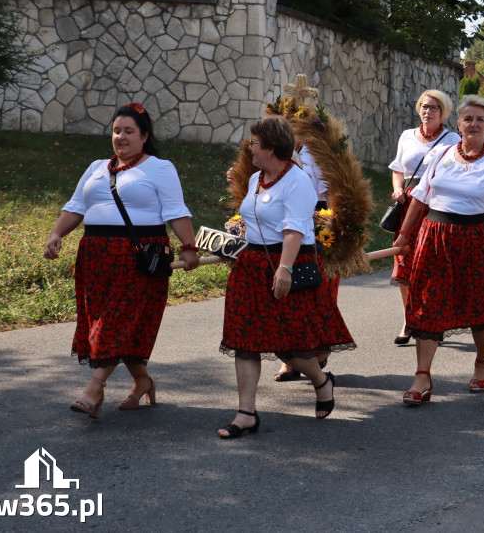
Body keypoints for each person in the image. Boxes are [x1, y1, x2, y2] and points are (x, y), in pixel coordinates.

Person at [43, 103, 200, 419]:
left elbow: (176, 211)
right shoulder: (97, 166)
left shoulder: (159, 168)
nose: (121, 137)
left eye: (129, 131)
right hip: (95, 258)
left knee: (116, 321)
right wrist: (57, 233)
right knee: (108, 321)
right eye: (117, 131)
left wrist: (188, 246)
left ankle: (94, 388)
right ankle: (142, 381)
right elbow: (76, 205)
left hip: (139, 259)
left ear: (144, 136)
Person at [218, 116, 355, 438]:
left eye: (254, 143)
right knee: (245, 341)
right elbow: (253, 218)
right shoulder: (257, 179)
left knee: (292, 347)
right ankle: (246, 413)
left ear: (270, 148)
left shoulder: (298, 182)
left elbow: (294, 230)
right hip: (252, 265)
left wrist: (284, 269)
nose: (249, 148)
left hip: (290, 264)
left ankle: (321, 381)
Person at [393, 96, 484, 404]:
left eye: (481, 119)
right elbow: (421, 197)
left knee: (478, 305)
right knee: (427, 304)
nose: (474, 124)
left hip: (479, 238)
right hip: (435, 236)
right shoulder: (441, 153)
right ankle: (422, 376)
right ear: (459, 124)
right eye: (469, 119)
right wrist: (404, 234)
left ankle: (482, 360)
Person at [389, 90, 460, 345]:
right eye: (424, 106)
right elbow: (398, 167)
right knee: (404, 263)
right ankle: (410, 319)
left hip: (435, 207)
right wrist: (398, 188)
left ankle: (433, 319)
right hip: (408, 204)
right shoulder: (407, 135)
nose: (427, 111)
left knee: (432, 265)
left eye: (433, 108)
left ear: (443, 112)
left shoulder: (452, 138)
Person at [272, 140, 335, 382]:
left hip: (318, 217)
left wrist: (333, 225)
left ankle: (318, 354)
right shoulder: (275, 148)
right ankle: (289, 360)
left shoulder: (319, 148)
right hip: (283, 215)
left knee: (313, 291)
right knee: (285, 295)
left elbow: (331, 190)